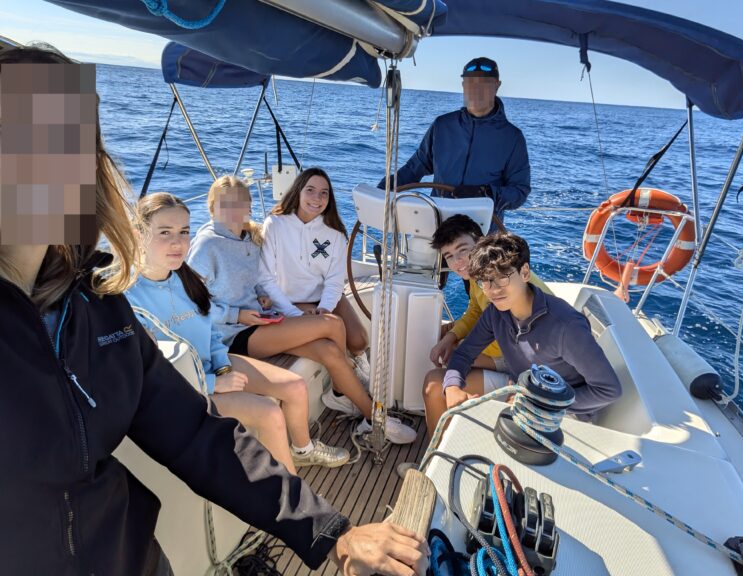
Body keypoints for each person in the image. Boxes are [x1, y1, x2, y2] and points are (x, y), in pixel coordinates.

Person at [0, 45, 426, 576]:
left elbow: (193, 432)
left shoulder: (99, 308)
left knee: (327, 339)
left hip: (134, 559)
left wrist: (331, 532)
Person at [126, 192, 349, 473]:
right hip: (184, 390)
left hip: (213, 367)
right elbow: (149, 373)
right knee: (270, 413)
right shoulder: (128, 298)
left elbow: (209, 331)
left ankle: (302, 451)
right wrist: (212, 383)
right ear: (139, 235)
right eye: (165, 232)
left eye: (184, 231)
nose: (178, 242)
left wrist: (222, 365)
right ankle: (293, 496)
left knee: (295, 386)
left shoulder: (185, 278)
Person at [188, 175, 417, 445]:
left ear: (249, 206)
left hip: (261, 319)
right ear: (211, 207)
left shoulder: (249, 238)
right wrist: (236, 315)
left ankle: (364, 413)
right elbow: (192, 305)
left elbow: (257, 280)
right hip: (234, 334)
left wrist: (262, 297)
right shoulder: (206, 245)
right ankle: (358, 404)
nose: (234, 210)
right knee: (333, 324)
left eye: (240, 203)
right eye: (226, 204)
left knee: (330, 351)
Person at [424, 232, 622, 439]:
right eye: (485, 281)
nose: (493, 290)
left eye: (502, 278)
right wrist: (453, 387)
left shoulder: (566, 326)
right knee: (435, 385)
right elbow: (464, 354)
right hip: (519, 388)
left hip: (560, 409)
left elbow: (608, 390)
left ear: (525, 272)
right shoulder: (496, 313)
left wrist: (535, 400)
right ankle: (436, 453)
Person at [422, 215, 553, 436]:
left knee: (435, 383)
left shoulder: (504, 283)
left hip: (533, 367)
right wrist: (451, 336)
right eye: (449, 256)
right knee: (449, 352)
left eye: (463, 250)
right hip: (515, 355)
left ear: (480, 243)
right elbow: (476, 310)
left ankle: (440, 446)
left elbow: (516, 339)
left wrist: (461, 346)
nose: (457, 262)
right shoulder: (479, 274)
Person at [379, 56, 530, 230]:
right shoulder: (442, 125)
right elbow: (415, 168)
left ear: (497, 85)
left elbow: (519, 192)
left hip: (482, 233)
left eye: (484, 83)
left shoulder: (512, 137)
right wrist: (383, 189)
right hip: (439, 226)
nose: (476, 89)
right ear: (463, 85)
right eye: (470, 82)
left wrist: (485, 192)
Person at [260, 167, 370, 382]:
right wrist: (293, 312)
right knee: (327, 339)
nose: (317, 198)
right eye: (310, 190)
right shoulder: (275, 224)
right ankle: (343, 381)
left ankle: (356, 361)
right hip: (289, 301)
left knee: (359, 341)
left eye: (323, 193)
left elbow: (334, 280)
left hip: (323, 298)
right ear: (298, 191)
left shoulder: (335, 233)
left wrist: (325, 308)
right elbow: (265, 278)